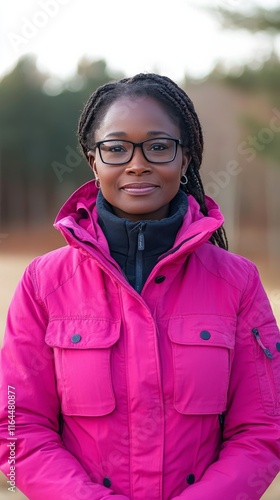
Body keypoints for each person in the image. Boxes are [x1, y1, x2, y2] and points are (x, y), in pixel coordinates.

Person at [0, 73, 280, 500]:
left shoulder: (237, 282)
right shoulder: (44, 283)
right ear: (93, 161)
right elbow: (17, 429)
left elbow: (263, 429)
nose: (137, 163)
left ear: (185, 159)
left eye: (158, 146)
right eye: (116, 148)